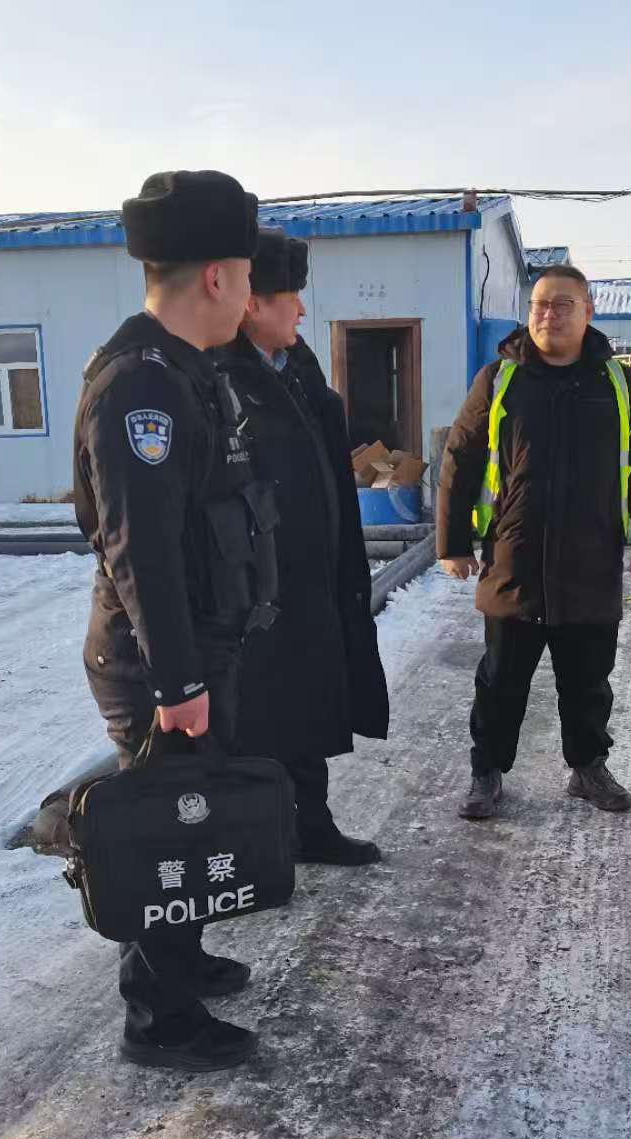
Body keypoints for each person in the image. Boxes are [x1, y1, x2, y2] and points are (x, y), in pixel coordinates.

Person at [72, 169, 274, 1073]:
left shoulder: (187, 369)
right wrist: (178, 680)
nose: (252, 293)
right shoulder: (141, 386)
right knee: (164, 820)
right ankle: (158, 1018)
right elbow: (140, 548)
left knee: (195, 819)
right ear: (217, 278)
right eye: (248, 275)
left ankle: (182, 960)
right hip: (159, 657)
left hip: (194, 643)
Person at [436, 265, 631, 820]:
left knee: (588, 681)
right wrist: (452, 543)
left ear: (588, 312)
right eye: (539, 304)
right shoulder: (500, 379)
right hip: (512, 560)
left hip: (590, 559)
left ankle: (588, 768)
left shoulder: (617, 383)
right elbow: (460, 459)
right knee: (500, 681)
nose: (548, 314)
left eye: (563, 304)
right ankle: (486, 771)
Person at [216, 229, 390, 864]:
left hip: (312, 572)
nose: (302, 310)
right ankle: (256, 845)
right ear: (252, 304)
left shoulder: (297, 368)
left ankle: (311, 825)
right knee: (257, 718)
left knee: (308, 705)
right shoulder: (219, 377)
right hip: (255, 582)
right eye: (291, 298)